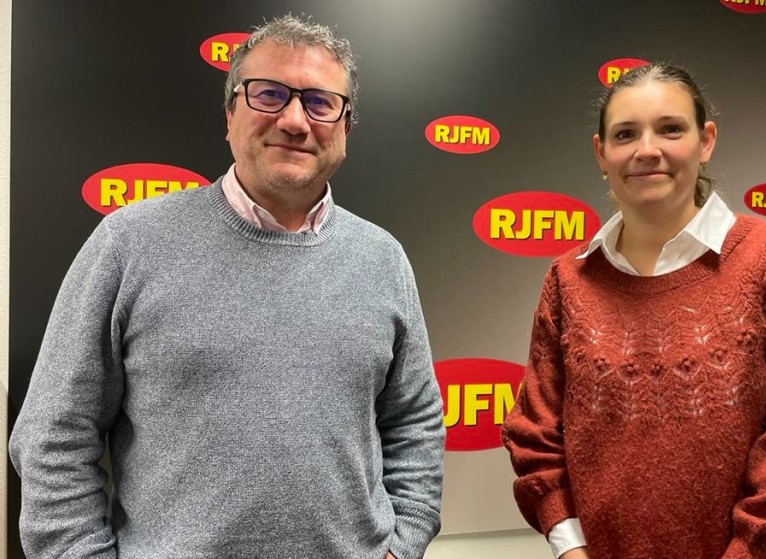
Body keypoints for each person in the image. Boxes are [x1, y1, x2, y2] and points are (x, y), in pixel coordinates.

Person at [10, 14, 444, 559]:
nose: (294, 120)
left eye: (320, 102)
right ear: (230, 115)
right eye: (269, 94)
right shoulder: (130, 244)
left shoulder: (383, 259)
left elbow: (414, 423)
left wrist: (402, 544)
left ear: (345, 130)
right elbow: (53, 436)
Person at [502, 63, 766, 559]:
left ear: (706, 141)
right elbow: (536, 437)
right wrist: (571, 549)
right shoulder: (569, 281)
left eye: (671, 129)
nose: (647, 149)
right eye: (625, 134)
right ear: (601, 154)